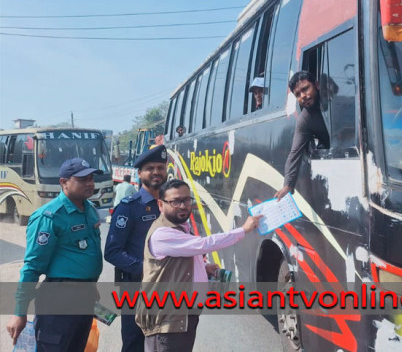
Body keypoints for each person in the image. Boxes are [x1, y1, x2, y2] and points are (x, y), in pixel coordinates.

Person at [135, 179, 261, 352]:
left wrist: (204, 266)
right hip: (166, 322)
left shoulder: (181, 227)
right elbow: (204, 244)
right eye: (175, 201)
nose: (183, 206)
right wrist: (244, 230)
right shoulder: (162, 233)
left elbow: (186, 255)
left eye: (186, 200)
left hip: (182, 316)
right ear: (161, 204)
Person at [6, 158, 104, 351]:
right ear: (63, 182)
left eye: (91, 178)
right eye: (82, 179)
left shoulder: (89, 209)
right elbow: (32, 267)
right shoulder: (49, 216)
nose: (90, 183)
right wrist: (19, 312)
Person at [105, 144, 167, 352]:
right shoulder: (129, 207)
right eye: (150, 168)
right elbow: (112, 251)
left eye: (160, 167)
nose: (156, 172)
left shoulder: (172, 204)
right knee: (134, 343)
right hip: (136, 287)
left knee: (164, 342)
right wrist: (146, 269)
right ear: (140, 173)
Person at [274, 71, 330, 200]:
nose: (303, 96)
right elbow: (294, 153)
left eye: (305, 89)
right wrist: (288, 185)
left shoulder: (334, 102)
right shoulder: (305, 119)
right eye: (298, 94)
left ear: (316, 85)